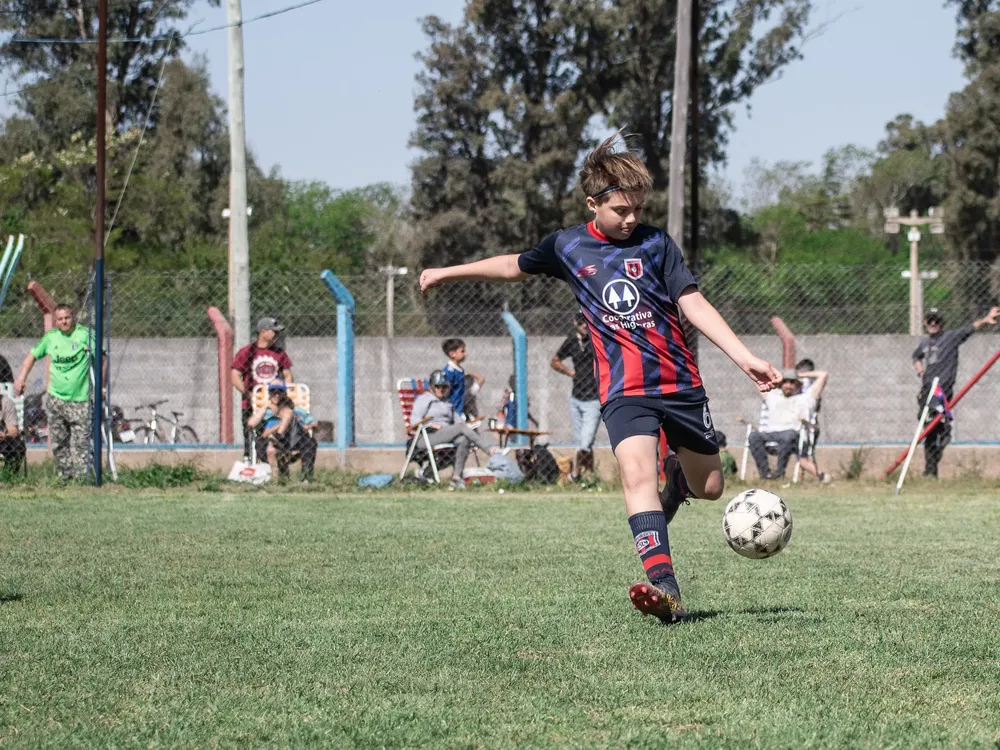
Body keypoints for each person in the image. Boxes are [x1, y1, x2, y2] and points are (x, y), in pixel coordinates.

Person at [419, 131, 780, 624]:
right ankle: (667, 591)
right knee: (635, 474)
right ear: (593, 203)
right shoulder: (568, 245)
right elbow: (511, 265)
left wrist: (745, 358)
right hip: (623, 390)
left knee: (711, 485)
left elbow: (692, 302)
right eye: (620, 211)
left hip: (679, 383)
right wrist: (447, 271)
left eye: (636, 208)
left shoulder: (657, 244)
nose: (631, 218)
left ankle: (676, 481)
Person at [13, 305, 100, 482]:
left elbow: (102, 357)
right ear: (56, 321)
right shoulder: (51, 338)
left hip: (80, 400)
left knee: (82, 443)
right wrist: (21, 378)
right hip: (56, 399)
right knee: (59, 443)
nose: (64, 322)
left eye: (67, 318)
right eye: (60, 319)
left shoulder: (85, 334)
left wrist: (101, 386)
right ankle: (65, 478)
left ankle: (84, 480)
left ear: (73, 317)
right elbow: (32, 357)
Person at [912, 306, 999, 477]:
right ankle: (930, 470)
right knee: (929, 428)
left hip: (942, 390)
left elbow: (970, 328)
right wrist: (921, 371)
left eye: (936, 321)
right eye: (930, 320)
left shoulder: (950, 337)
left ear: (941, 323)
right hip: (928, 389)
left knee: (936, 428)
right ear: (925, 323)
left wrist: (986, 319)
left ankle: (936, 453)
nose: (933, 324)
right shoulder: (924, 343)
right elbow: (915, 357)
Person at [412, 369, 497, 490]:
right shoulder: (423, 400)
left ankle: (456, 477)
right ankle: (489, 450)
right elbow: (414, 422)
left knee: (463, 439)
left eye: (444, 387)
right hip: (427, 436)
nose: (441, 389)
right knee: (461, 428)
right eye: (438, 386)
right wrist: (431, 424)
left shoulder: (447, 403)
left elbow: (458, 420)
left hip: (446, 433)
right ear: (431, 386)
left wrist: (467, 425)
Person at [749, 368, 827, 480]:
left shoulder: (807, 398)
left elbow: (823, 375)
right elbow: (754, 375)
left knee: (788, 436)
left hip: (794, 436)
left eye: (792, 382)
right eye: (785, 382)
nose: (788, 385)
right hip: (771, 435)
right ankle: (766, 475)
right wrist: (774, 374)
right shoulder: (772, 396)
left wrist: (802, 374)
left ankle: (779, 474)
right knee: (754, 436)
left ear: (798, 385)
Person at [232, 317, 293, 459]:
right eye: (274, 331)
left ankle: (273, 462)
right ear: (263, 331)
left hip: (274, 402)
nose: (277, 335)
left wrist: (286, 393)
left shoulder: (279, 353)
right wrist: (248, 394)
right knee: (251, 434)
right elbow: (235, 375)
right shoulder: (247, 352)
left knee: (272, 433)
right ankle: (249, 461)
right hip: (252, 403)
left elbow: (288, 375)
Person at [551, 311, 601, 479]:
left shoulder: (596, 340)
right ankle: (588, 475)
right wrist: (570, 372)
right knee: (581, 442)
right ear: (575, 323)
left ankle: (575, 473)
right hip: (576, 398)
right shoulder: (571, 342)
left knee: (586, 442)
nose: (584, 325)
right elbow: (555, 361)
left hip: (594, 399)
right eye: (580, 322)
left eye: (586, 322)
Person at [246, 382, 316, 483]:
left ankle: (306, 479)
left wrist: (307, 426)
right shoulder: (265, 411)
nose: (277, 395)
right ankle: (279, 479)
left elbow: (314, 423)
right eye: (274, 392)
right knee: (270, 443)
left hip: (293, 441)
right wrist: (266, 407)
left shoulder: (295, 410)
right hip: (269, 443)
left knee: (309, 441)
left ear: (285, 394)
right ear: (269, 393)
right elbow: (251, 424)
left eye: (280, 392)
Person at [793, 358, 831, 483]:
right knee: (801, 456)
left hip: (809, 429)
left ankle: (821, 477)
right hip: (797, 427)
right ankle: (799, 480)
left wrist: (803, 375)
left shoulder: (811, 391)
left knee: (803, 457)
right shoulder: (796, 391)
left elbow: (823, 375)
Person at [441, 338, 484, 420]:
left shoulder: (459, 370)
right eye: (462, 351)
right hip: (452, 414)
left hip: (460, 412)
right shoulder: (449, 372)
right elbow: (444, 394)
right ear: (452, 354)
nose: (465, 354)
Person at [0, 389, 25, 475]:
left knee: (18, 446)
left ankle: (8, 476)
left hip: (2, 440)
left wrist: (5, 435)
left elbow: (13, 430)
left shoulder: (6, 403)